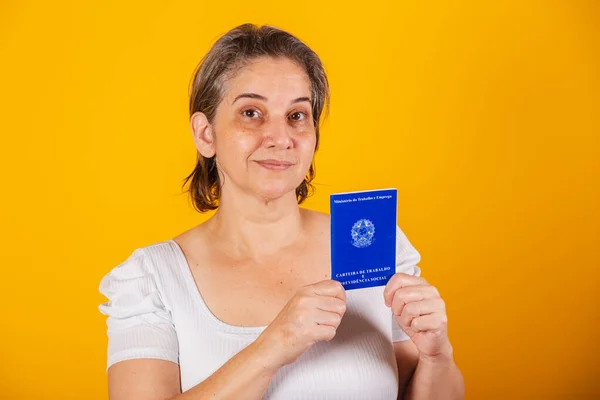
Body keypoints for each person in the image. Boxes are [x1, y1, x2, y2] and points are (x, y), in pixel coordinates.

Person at [98, 23, 465, 400]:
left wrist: (437, 356)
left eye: (297, 115)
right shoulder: (152, 280)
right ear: (205, 134)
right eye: (251, 113)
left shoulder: (373, 246)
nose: (280, 138)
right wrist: (273, 347)